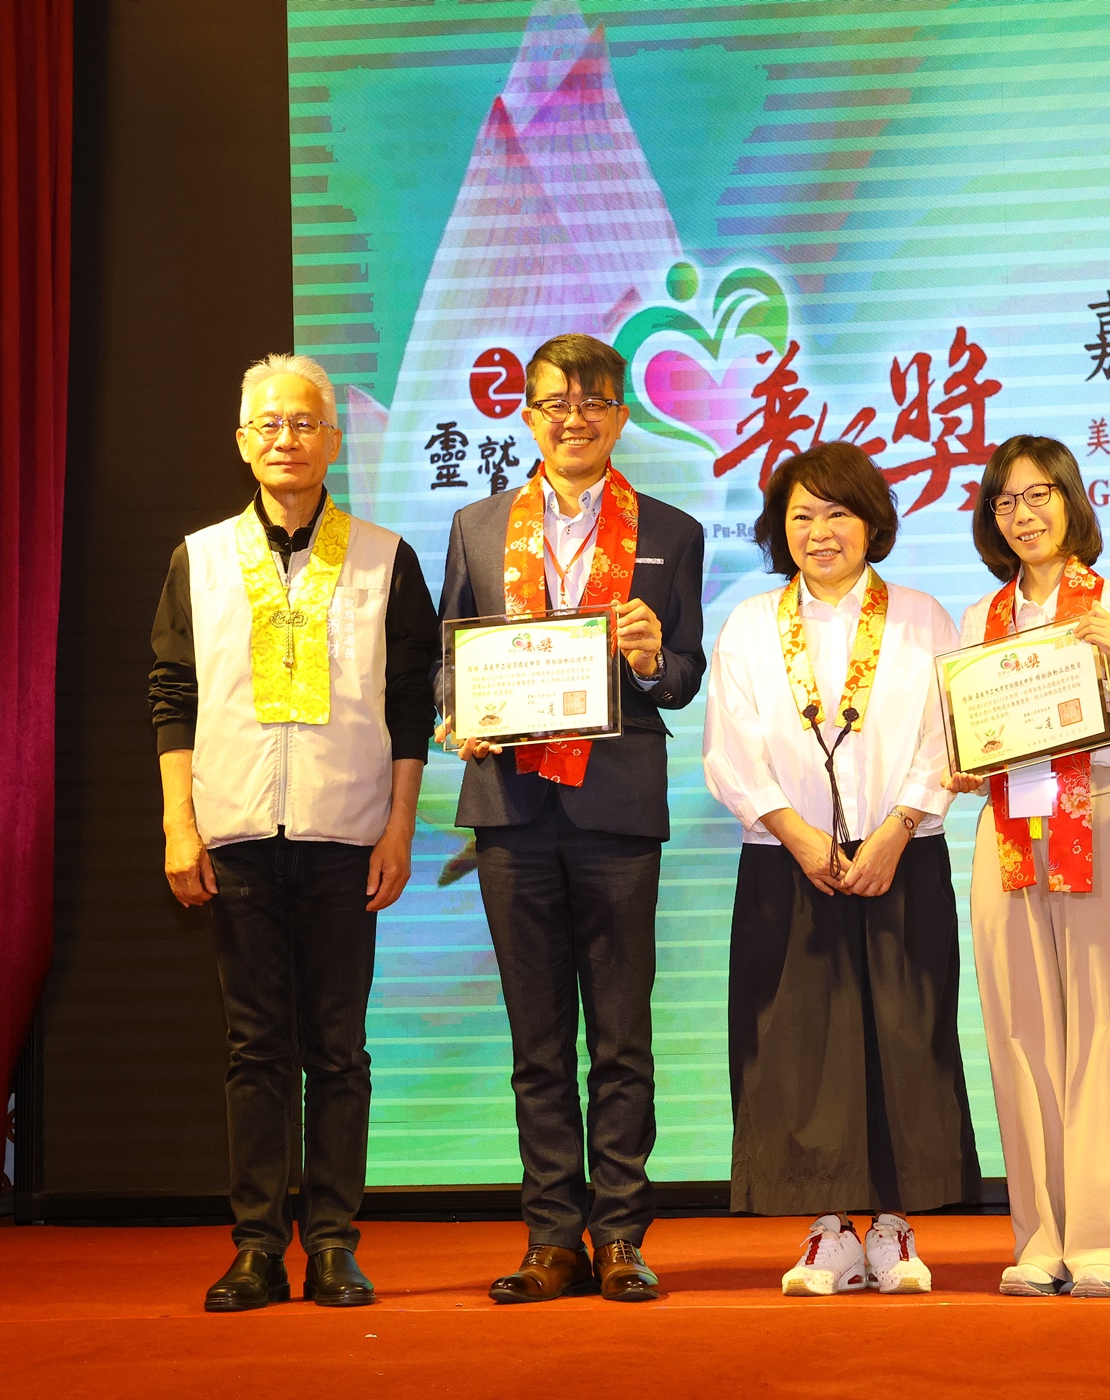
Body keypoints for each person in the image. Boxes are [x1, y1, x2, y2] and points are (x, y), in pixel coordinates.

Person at [150, 353, 438, 1312]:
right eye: (269, 424)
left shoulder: (385, 557)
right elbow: (172, 695)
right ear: (242, 441)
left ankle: (335, 1243)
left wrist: (398, 828)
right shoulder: (198, 558)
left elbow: (411, 703)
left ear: (334, 440)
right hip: (234, 832)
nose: (287, 439)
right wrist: (179, 825)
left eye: (305, 423)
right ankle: (256, 1247)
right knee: (255, 1049)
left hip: (345, 834)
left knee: (339, 1050)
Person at [438, 333, 705, 1305]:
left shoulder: (671, 530)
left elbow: (685, 674)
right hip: (511, 809)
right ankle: (552, 1236)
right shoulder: (476, 526)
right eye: (555, 402)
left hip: (617, 809)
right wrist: (457, 713)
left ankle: (621, 1233)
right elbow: (449, 658)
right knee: (537, 1040)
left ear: (621, 416)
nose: (574, 418)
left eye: (594, 402)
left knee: (621, 1038)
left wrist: (651, 656)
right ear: (528, 415)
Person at [702, 441, 980, 1296]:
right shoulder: (751, 624)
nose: (820, 532)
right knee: (796, 1049)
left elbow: (946, 736)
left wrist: (896, 830)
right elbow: (730, 748)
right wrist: (797, 835)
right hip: (787, 863)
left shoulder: (923, 617)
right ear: (778, 530)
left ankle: (893, 1228)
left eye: (838, 513)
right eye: (801, 516)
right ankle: (826, 1231)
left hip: (903, 857)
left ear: (872, 523)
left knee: (907, 1039)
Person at [946, 435, 1110, 1299]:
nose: (1023, 514)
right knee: (1019, 1035)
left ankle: (1107, 1240)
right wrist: (960, 760)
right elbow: (961, 743)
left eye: (1039, 495)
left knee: (1108, 1031)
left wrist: (1109, 666)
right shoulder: (980, 619)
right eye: (1004, 501)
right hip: (1008, 829)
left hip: (1099, 818)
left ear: (1072, 500)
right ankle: (1040, 1236)